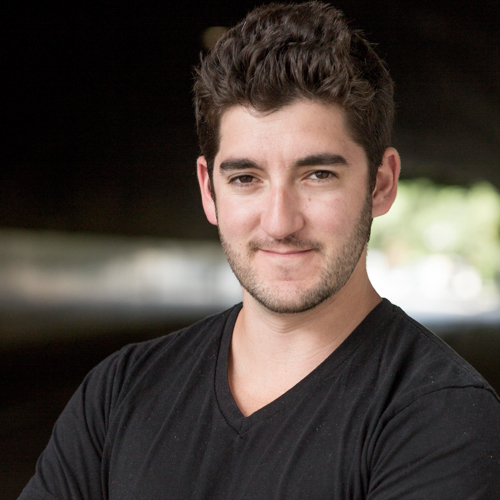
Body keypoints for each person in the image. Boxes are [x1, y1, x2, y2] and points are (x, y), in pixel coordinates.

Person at [19, 2, 500, 499]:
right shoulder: (117, 393)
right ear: (209, 191)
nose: (279, 222)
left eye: (318, 175)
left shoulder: (442, 416)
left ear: (381, 185)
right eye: (246, 178)